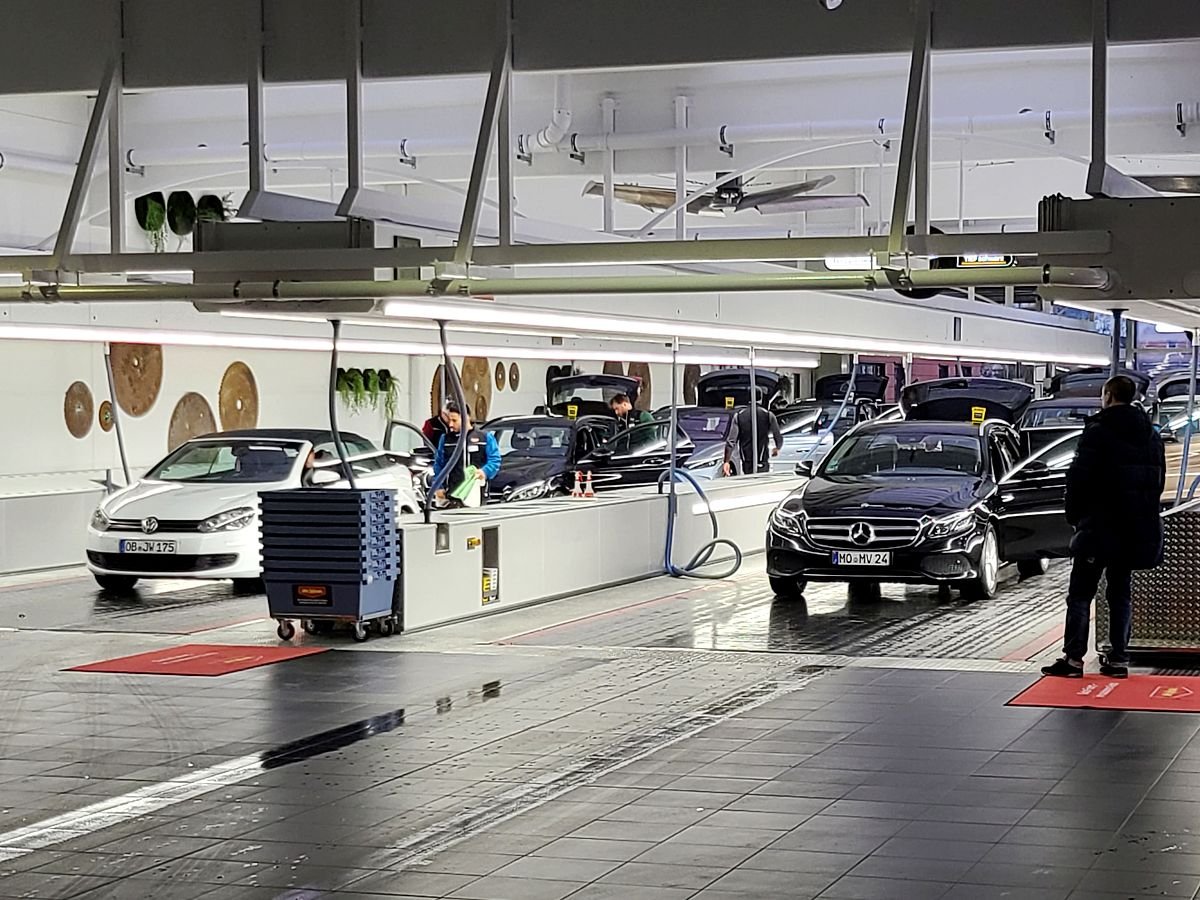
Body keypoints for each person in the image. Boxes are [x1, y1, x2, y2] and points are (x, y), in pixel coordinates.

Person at [1042, 374, 1165, 680]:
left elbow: (1078, 479)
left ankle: (1073, 660)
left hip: (1099, 527)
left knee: (1081, 593)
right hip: (1133, 528)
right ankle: (1119, 659)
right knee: (1120, 592)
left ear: (1108, 396)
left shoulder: (1098, 431)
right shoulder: (1150, 434)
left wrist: (1075, 517)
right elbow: (1157, 481)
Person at [433, 401, 501, 507]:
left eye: (454, 420)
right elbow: (438, 465)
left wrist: (484, 471)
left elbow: (495, 460)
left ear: (466, 417)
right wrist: (438, 486)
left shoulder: (485, 438)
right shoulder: (445, 440)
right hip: (452, 497)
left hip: (477, 496)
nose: (451, 424)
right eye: (449, 420)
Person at [723, 391, 784, 476]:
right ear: (761, 398)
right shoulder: (768, 415)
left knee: (748, 478)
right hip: (762, 457)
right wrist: (777, 448)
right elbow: (777, 435)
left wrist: (726, 461)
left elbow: (731, 441)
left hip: (746, 458)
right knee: (762, 479)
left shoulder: (739, 416)